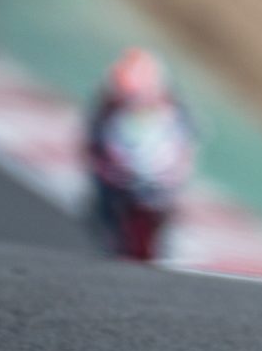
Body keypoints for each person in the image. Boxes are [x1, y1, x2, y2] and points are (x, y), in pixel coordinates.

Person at [82, 48, 196, 260]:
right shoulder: (108, 110)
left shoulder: (174, 112)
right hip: (117, 183)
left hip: (157, 185)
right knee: (98, 213)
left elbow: (183, 148)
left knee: (162, 224)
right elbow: (94, 145)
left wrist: (169, 178)